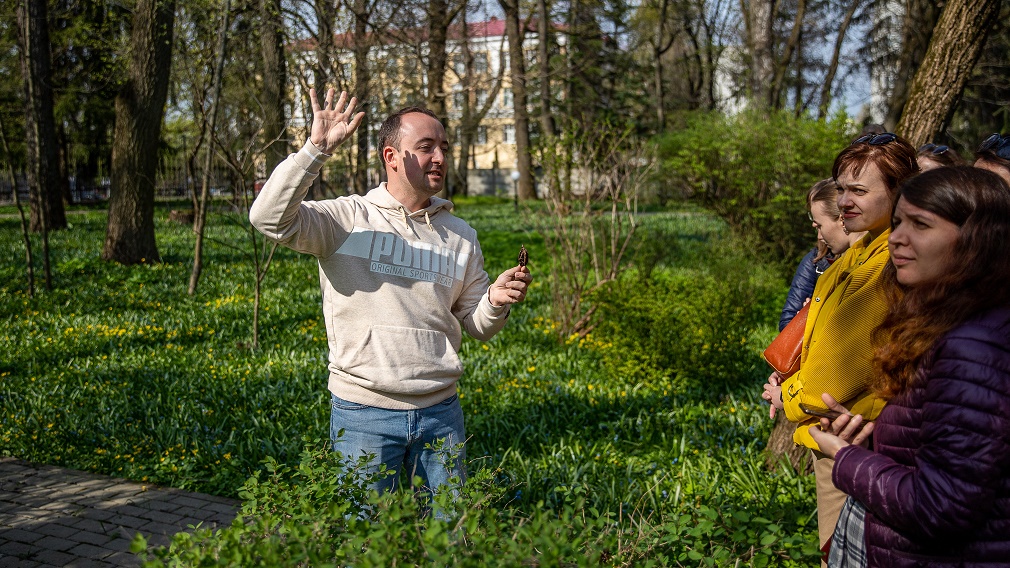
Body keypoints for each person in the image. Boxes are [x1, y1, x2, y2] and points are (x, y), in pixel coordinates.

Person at [249, 89, 531, 496]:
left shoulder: (460, 235)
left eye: (444, 147)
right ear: (391, 157)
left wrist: (494, 303)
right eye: (426, 147)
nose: (440, 157)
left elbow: (477, 325)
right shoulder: (346, 219)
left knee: (449, 529)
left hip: (441, 414)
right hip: (364, 413)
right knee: (363, 531)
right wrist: (315, 151)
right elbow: (268, 218)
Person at [810, 166, 1010, 567]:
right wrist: (871, 443)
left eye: (920, 224)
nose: (896, 238)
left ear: (977, 238)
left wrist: (846, 458)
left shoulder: (973, 345)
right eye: (898, 222)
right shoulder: (949, 321)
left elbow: (940, 505)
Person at [762, 132, 918, 559]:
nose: (845, 201)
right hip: (838, 435)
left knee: (842, 554)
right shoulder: (858, 250)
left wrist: (787, 396)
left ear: (900, 191)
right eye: (842, 189)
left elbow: (829, 382)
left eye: (859, 191)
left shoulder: (886, 263)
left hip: (851, 439)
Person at [779, 179, 865, 331]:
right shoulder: (816, 261)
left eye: (819, 226)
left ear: (842, 218)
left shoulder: (870, 259)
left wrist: (816, 314)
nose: (819, 236)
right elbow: (788, 322)